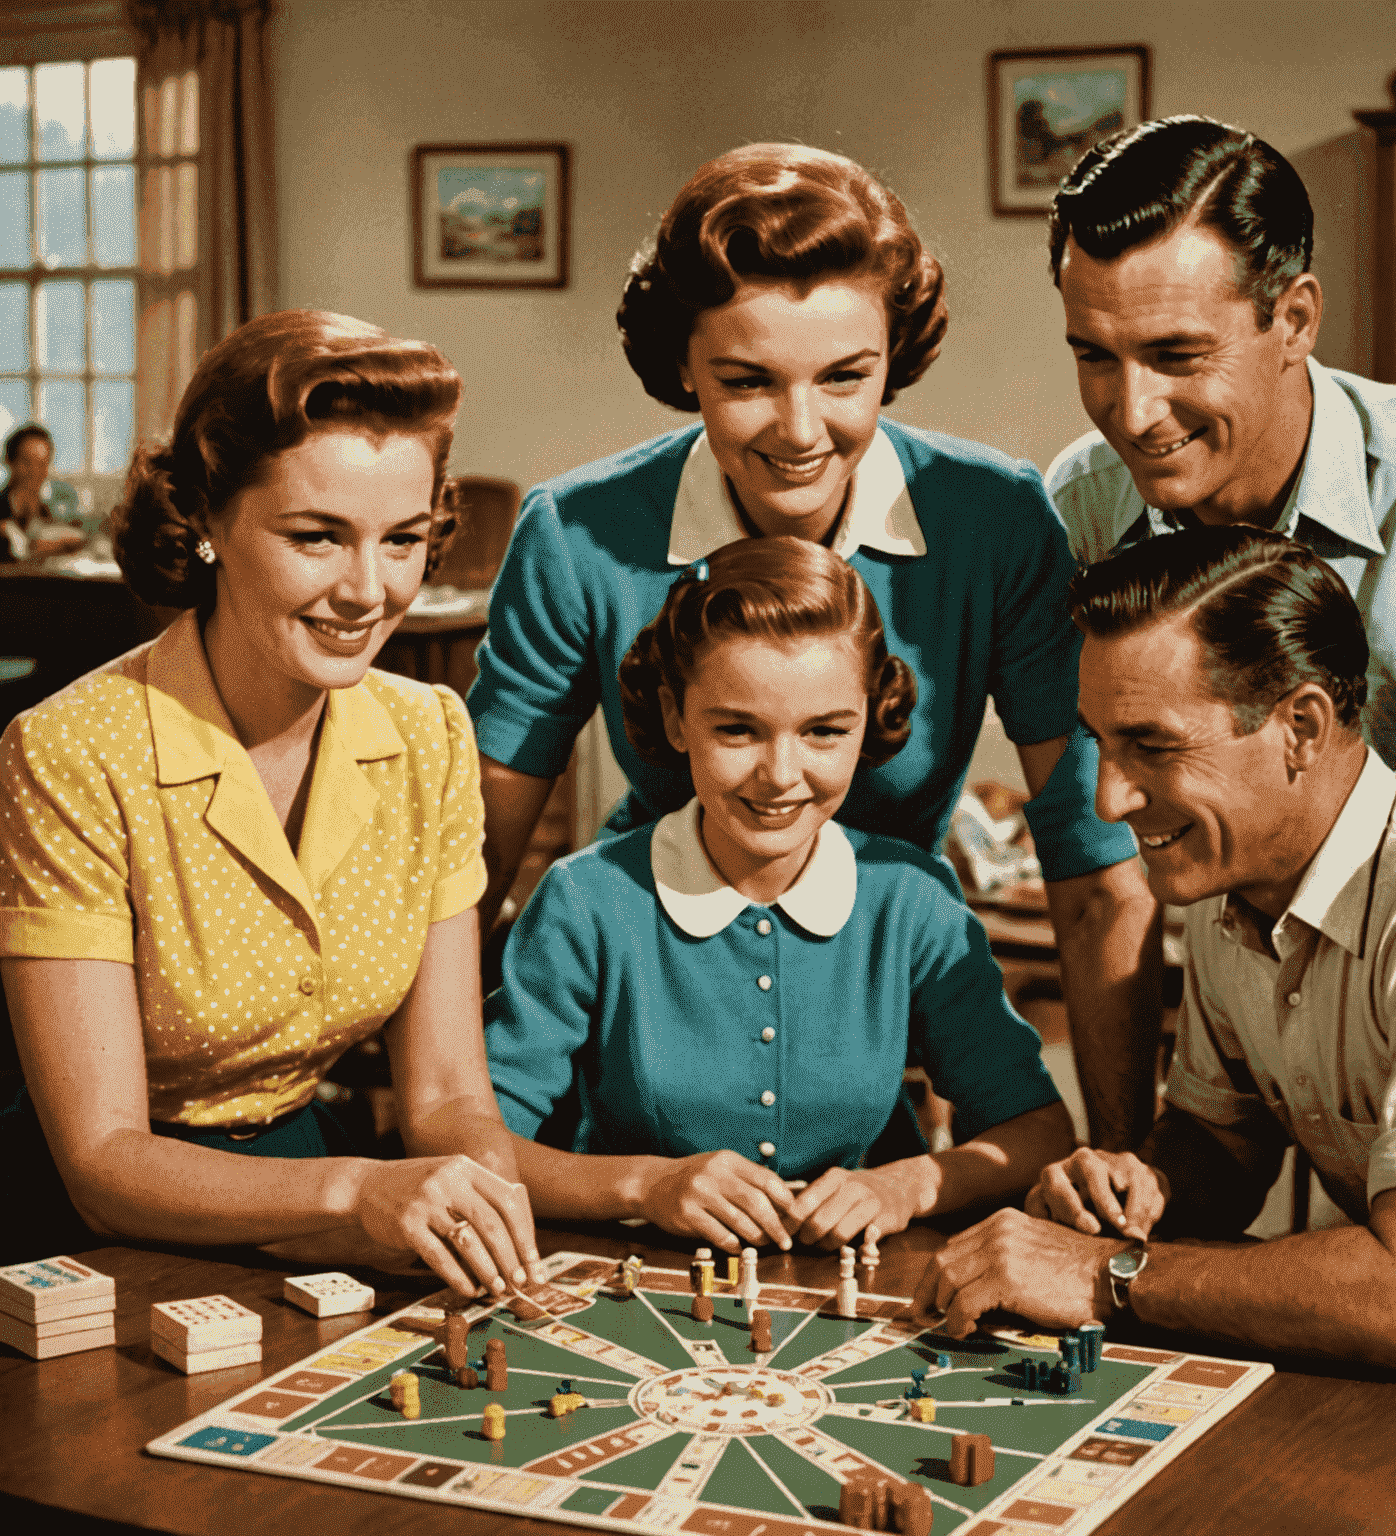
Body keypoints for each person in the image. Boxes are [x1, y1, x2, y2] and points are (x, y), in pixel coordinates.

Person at [470, 142, 1162, 1151]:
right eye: (747, 380)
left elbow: (1095, 870)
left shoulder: (995, 520)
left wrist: (1115, 1163)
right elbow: (469, 866)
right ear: (682, 366)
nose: (801, 430)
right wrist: (447, 1137)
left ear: (896, 355)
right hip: (641, 1030)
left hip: (871, 1011)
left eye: (846, 377)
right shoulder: (576, 532)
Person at [912, 527, 1396, 1378]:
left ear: (1302, 727)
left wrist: (1104, 1273)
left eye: (1153, 746)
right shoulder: (1230, 870)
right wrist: (1135, 1191)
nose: (1108, 797)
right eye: (1097, 743)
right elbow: (1221, 1142)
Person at [0, 310, 539, 1291]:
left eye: (404, 540)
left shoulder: (432, 735)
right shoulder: (70, 750)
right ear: (205, 520)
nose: (368, 589)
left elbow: (450, 1093)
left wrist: (483, 1197)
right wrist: (361, 1195)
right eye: (316, 538)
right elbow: (102, 1162)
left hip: (316, 1194)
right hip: (83, 1237)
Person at [485, 537, 1076, 1254]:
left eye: (825, 732)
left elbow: (1039, 1131)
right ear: (675, 719)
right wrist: (646, 1185)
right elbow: (478, 1146)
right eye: (737, 729)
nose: (780, 774)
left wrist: (910, 1184)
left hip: (862, 1297)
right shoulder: (588, 900)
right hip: (638, 1286)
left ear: (869, 720)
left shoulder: (911, 900)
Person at [1044, 115, 1396, 816]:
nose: (1132, 412)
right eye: (1094, 354)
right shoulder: (1082, 505)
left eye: (1177, 355)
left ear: (1296, 321)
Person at [1, 423, 85, 560]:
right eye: (27, 462)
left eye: (41, 464)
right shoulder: (3, 511)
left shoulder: (45, 511)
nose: (34, 472)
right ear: (9, 462)